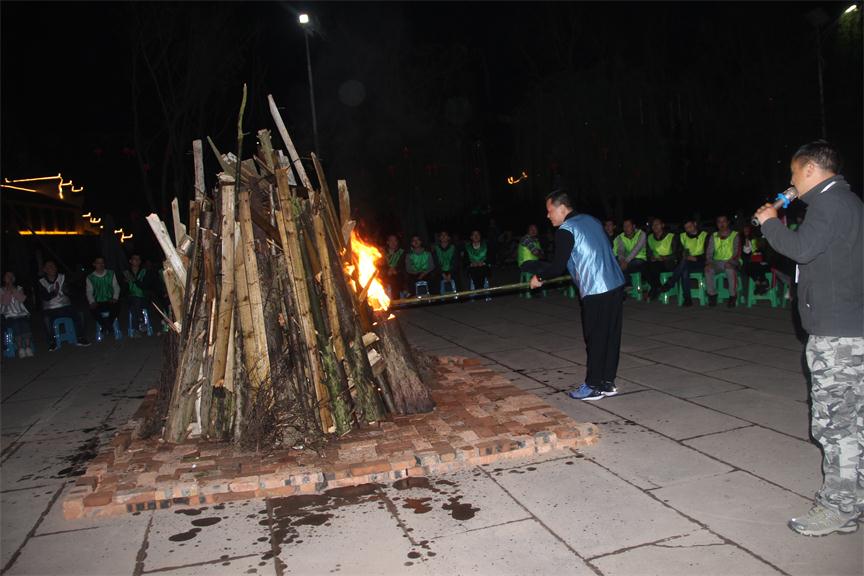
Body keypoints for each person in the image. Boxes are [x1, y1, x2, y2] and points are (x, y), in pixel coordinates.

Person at [755, 140, 863, 537]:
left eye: (793, 173)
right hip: (849, 328)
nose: (791, 181)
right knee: (853, 422)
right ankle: (853, 502)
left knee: (835, 425)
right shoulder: (847, 202)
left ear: (811, 170)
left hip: (837, 335)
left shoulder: (829, 204)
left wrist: (770, 222)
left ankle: (837, 507)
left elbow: (801, 249)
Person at [522, 189, 625, 401]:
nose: (548, 215)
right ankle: (607, 382)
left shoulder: (566, 230)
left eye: (550, 210)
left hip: (596, 289)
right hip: (615, 283)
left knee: (595, 337)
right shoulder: (592, 220)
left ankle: (593, 385)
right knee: (611, 335)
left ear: (562, 208)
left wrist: (539, 277)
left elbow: (557, 266)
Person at [38, 260, 90, 350]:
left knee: (80, 313)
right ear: (45, 270)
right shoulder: (41, 282)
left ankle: (80, 337)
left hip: (65, 306)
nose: (52, 268)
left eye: (53, 266)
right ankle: (52, 342)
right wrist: (54, 292)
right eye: (49, 266)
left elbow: (74, 290)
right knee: (46, 319)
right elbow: (44, 297)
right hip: (50, 309)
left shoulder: (63, 277)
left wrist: (68, 291)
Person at [663, 218, 708, 306]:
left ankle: (671, 283)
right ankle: (687, 298)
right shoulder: (682, 236)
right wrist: (684, 255)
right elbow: (678, 252)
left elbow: (709, 254)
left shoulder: (705, 235)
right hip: (687, 262)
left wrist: (696, 258)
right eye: (686, 228)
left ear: (695, 224)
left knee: (684, 267)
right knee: (684, 269)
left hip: (701, 262)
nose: (688, 229)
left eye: (690, 226)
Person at [704, 214, 741, 307]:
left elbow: (737, 252)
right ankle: (712, 295)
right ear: (717, 224)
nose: (721, 224)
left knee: (729, 270)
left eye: (724, 221)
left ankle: (733, 296)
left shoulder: (735, 235)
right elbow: (709, 252)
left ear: (728, 222)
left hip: (732, 261)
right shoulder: (713, 236)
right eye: (719, 222)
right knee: (708, 269)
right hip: (717, 262)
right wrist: (709, 263)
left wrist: (731, 262)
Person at [86, 256, 121, 339]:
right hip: (98, 301)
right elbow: (89, 291)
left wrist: (115, 297)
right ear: (94, 264)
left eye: (102, 262)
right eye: (98, 263)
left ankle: (107, 325)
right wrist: (92, 301)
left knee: (117, 306)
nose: (101, 265)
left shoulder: (111, 273)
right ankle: (106, 326)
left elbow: (116, 287)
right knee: (93, 310)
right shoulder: (90, 277)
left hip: (110, 300)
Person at [645, 217, 679, 301]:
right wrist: (651, 257)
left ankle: (654, 289)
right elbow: (648, 253)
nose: (655, 226)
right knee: (644, 266)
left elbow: (677, 254)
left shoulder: (671, 236)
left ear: (662, 225)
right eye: (653, 225)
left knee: (654, 267)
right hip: (656, 262)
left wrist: (665, 258)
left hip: (669, 262)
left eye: (657, 224)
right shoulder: (650, 237)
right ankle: (657, 287)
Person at [1, 271, 33, 357]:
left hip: (21, 314)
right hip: (8, 316)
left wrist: (13, 289)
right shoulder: (1, 290)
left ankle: (28, 347)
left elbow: (22, 299)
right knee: (16, 325)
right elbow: (5, 302)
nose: (10, 277)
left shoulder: (19, 288)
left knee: (25, 323)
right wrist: (8, 290)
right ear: (4, 279)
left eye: (11, 276)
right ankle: (20, 348)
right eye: (7, 276)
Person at [123, 253, 152, 336]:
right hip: (130, 298)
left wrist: (134, 280)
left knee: (135, 304)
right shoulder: (126, 272)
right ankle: (141, 321)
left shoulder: (145, 272)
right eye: (134, 259)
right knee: (134, 302)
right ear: (130, 261)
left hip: (143, 298)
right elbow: (123, 290)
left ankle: (136, 328)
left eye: (138, 259)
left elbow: (146, 286)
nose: (137, 261)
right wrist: (125, 283)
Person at [614, 218, 647, 284]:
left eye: (628, 226)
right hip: (627, 260)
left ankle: (630, 284)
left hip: (640, 259)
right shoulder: (620, 237)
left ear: (633, 226)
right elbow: (620, 250)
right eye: (624, 226)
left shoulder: (641, 234)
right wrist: (622, 260)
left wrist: (626, 261)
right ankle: (628, 284)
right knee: (616, 264)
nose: (626, 228)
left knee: (629, 266)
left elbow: (636, 249)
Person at [740, 224, 771, 296]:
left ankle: (760, 284)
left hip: (765, 263)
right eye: (744, 230)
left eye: (747, 229)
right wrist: (746, 241)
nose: (746, 231)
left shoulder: (762, 238)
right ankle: (762, 283)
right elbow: (746, 252)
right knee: (749, 266)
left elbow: (767, 253)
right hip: (753, 264)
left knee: (755, 266)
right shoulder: (744, 240)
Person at [382, 234, 406, 298]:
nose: (393, 243)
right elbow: (380, 266)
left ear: (397, 242)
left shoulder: (401, 252)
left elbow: (404, 265)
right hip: (386, 278)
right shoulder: (382, 253)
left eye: (395, 240)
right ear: (387, 242)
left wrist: (396, 270)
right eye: (391, 240)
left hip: (398, 278)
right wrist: (387, 271)